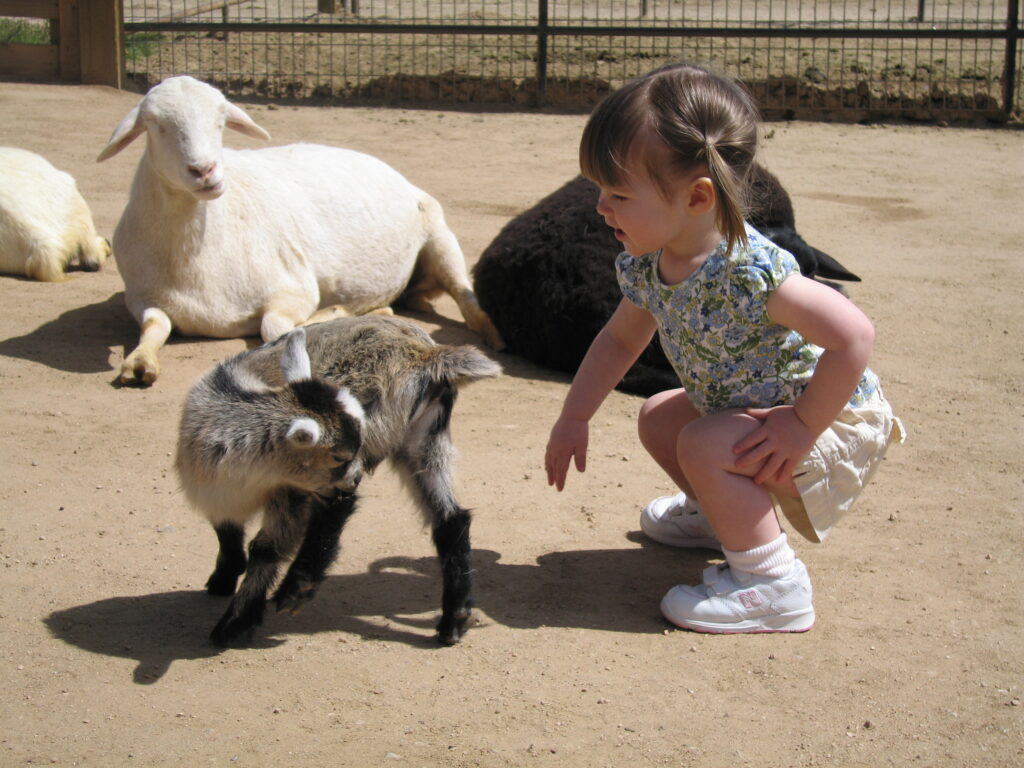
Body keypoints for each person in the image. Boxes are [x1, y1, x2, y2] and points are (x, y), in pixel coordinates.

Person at [543, 63, 905, 634]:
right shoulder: (647, 263)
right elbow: (618, 340)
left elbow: (854, 336)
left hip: (830, 424)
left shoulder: (749, 271)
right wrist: (574, 415)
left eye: (617, 192)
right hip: (756, 416)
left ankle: (773, 586)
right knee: (660, 415)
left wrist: (802, 425)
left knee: (706, 440)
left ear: (696, 196)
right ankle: (725, 521)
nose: (599, 207)